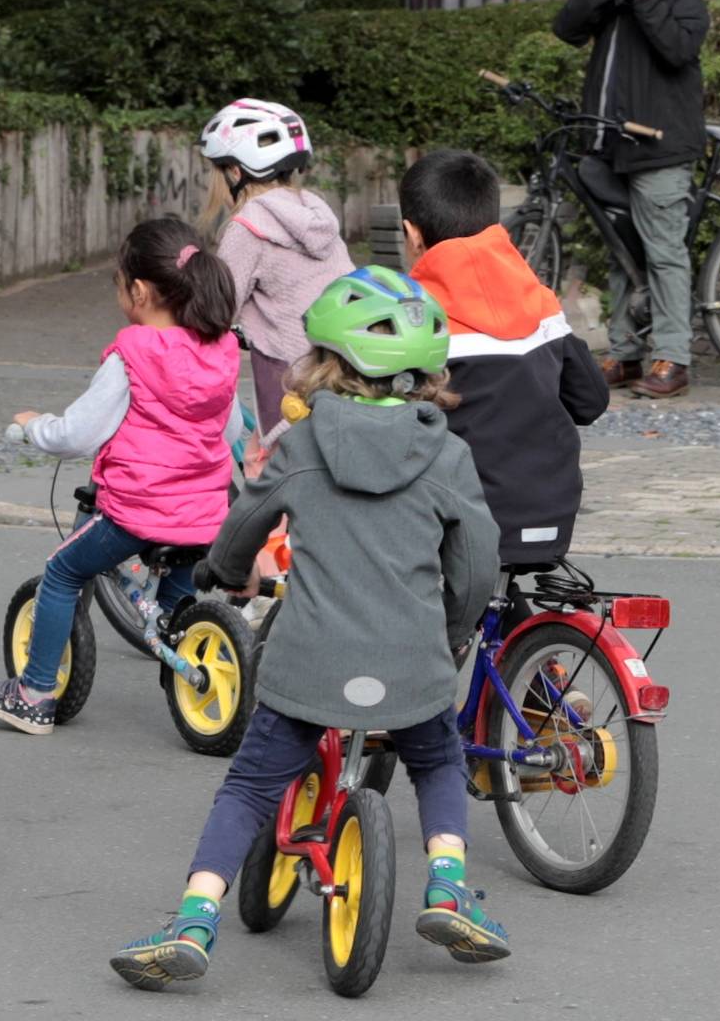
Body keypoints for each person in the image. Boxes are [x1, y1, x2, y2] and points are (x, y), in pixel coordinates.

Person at [108, 268, 507, 992]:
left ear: (322, 363)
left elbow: (241, 531)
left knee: (250, 786)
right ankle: (447, 884)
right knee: (438, 761)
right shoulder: (446, 455)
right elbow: (477, 563)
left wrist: (221, 573)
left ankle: (194, 920)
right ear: (425, 374)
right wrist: (450, 629)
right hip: (410, 663)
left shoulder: (300, 445)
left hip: (307, 664)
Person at [0, 218, 240, 735]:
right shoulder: (219, 350)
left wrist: (33, 428)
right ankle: (178, 659)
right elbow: (227, 427)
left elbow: (77, 433)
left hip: (140, 511)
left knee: (63, 572)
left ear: (138, 291)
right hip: (204, 514)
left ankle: (33, 695)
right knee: (176, 596)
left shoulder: (133, 355)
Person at [401, 150, 612, 564]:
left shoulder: (415, 314)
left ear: (412, 233)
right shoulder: (540, 301)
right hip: (551, 511)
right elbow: (591, 401)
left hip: (459, 518)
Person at [552, 0, 710, 399]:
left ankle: (673, 358)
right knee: (620, 252)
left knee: (663, 254)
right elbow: (567, 29)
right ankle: (624, 353)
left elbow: (677, 50)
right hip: (610, 146)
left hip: (660, 147)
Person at [201, 97, 350, 440]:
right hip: (341, 369)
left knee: (273, 470)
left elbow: (215, 312)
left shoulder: (249, 225)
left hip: (291, 379)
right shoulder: (315, 211)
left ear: (235, 172)